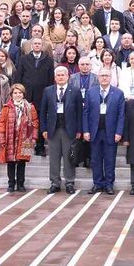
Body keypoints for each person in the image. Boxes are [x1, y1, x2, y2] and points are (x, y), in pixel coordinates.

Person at [41, 66, 83, 194]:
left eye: (62, 75)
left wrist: (79, 130)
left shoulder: (75, 91)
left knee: (68, 157)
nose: (60, 77)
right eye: (58, 75)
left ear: (67, 77)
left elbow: (80, 112)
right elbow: (43, 111)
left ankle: (69, 182)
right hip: (53, 129)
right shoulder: (48, 91)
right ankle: (55, 182)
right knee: (54, 158)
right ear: (55, 77)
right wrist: (44, 128)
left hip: (69, 129)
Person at [83, 68, 126, 194]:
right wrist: (86, 130)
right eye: (102, 75)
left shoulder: (118, 93)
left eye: (107, 75)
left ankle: (109, 184)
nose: (104, 78)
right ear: (98, 77)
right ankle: (97, 183)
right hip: (94, 131)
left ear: (111, 77)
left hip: (111, 132)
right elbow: (85, 113)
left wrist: (119, 132)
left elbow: (121, 115)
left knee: (109, 159)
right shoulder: (91, 92)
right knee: (95, 159)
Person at [12, 37, 55, 156]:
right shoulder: (23, 59)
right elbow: (18, 77)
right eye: (35, 43)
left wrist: (50, 95)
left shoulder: (48, 60)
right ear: (31, 46)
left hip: (42, 96)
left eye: (39, 44)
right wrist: (18, 93)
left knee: (40, 121)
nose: (37, 45)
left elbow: (51, 80)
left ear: (42, 46)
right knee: (25, 121)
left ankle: (40, 147)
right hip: (26, 96)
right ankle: (26, 146)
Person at [0, 83, 39, 193]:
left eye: (20, 93)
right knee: (11, 161)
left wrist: (34, 138)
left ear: (23, 94)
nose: (18, 95)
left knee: (22, 161)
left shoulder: (30, 107)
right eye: (15, 93)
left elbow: (35, 123)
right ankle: (11, 183)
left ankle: (21, 183)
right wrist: (1, 139)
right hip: (10, 137)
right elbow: (1, 123)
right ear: (11, 94)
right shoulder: (6, 107)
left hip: (26, 137)